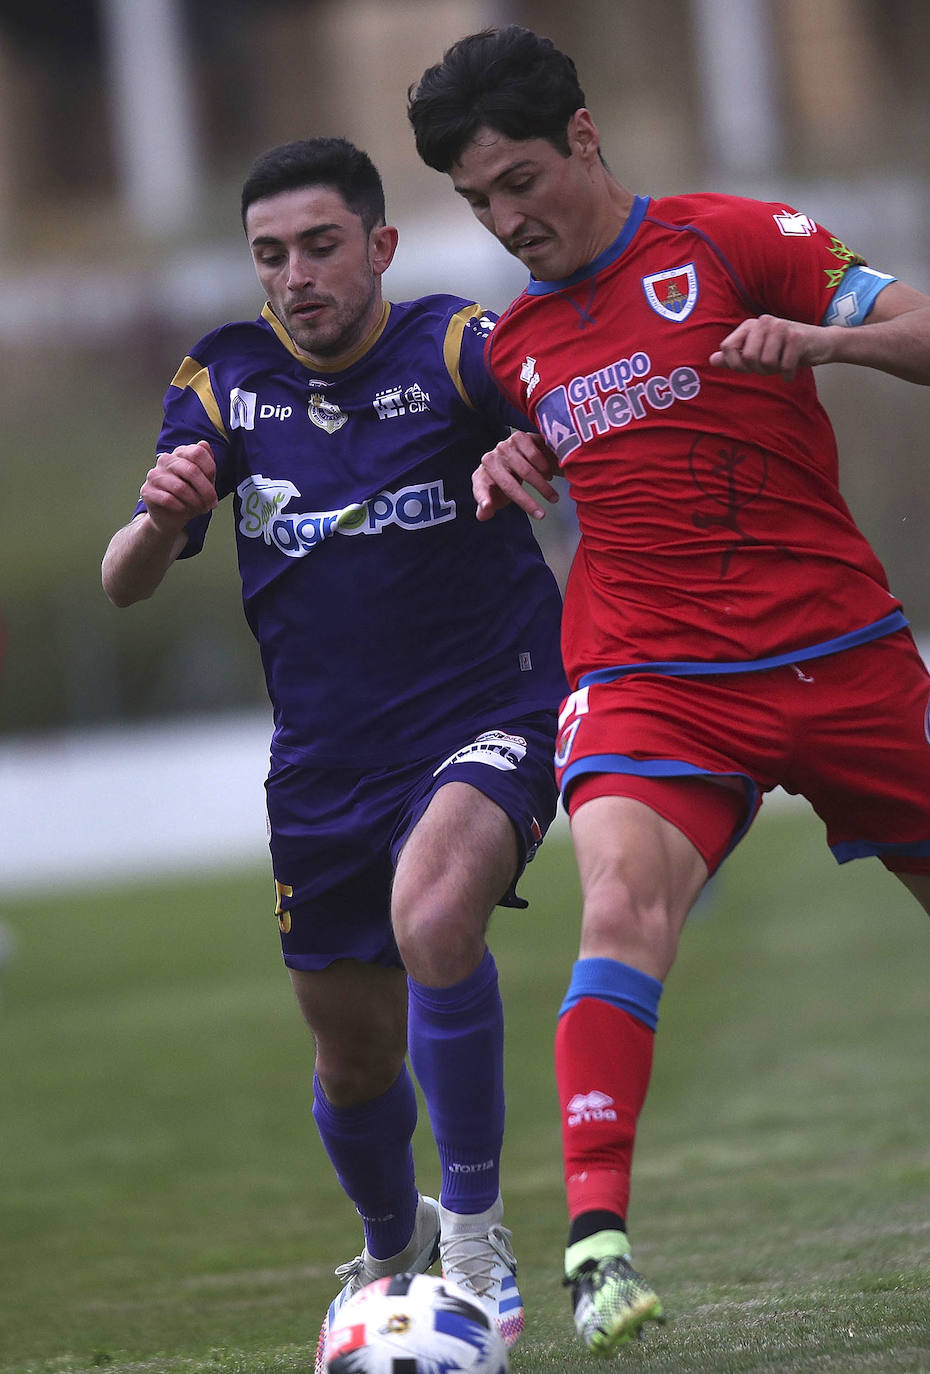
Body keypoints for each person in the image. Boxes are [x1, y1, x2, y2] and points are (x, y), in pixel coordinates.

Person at [405, 28, 930, 1355]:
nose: (506, 220)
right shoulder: (515, 342)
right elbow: (557, 437)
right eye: (474, 203)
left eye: (517, 181)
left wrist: (819, 341)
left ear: (581, 136)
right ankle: (596, 1245)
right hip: (650, 672)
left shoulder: (739, 240)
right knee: (618, 900)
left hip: (840, 656)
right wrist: (516, 459)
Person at [100, 137, 565, 1366]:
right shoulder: (223, 383)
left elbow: (575, 427)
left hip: (490, 711)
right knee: (350, 1053)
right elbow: (123, 582)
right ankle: (389, 1243)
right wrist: (163, 513)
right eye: (270, 255)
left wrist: (540, 451)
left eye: (318, 246)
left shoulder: (458, 346)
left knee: (432, 917)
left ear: (379, 247)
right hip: (323, 763)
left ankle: (471, 1240)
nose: (295, 274)